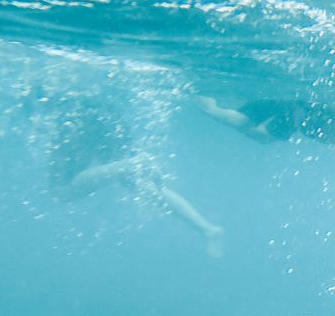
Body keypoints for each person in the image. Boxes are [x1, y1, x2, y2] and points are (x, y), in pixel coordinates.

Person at [49, 94, 225, 257]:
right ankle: (208, 229)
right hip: (104, 115)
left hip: (81, 116)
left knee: (61, 191)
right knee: (137, 183)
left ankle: (133, 164)